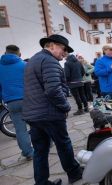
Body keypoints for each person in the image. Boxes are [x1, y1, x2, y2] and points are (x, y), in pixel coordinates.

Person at [23, 34, 82, 185]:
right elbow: (53, 90)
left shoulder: (33, 60)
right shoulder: (50, 61)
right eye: (63, 49)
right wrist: (66, 106)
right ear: (52, 45)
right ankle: (74, 173)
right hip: (49, 114)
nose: (65, 53)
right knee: (63, 144)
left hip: (33, 114)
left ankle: (42, 182)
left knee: (40, 150)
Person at [0, 45, 34, 161]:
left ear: (5, 53)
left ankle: (28, 152)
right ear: (19, 54)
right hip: (28, 99)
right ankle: (45, 145)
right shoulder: (25, 65)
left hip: (11, 102)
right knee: (37, 124)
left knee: (20, 130)